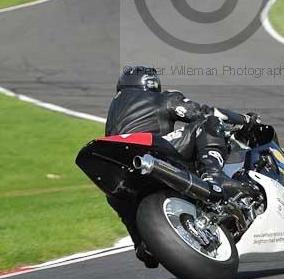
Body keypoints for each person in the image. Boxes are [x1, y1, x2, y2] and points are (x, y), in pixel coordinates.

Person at [104, 64, 259, 267]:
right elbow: (202, 112)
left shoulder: (113, 112)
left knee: (117, 198)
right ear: (151, 83)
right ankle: (213, 174)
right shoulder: (162, 98)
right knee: (209, 122)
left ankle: (141, 243)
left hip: (124, 171)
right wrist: (245, 120)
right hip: (153, 152)